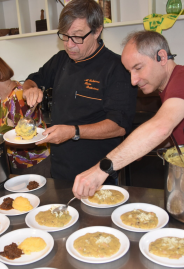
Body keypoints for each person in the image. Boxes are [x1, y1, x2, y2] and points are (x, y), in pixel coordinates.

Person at [72, 30, 184, 198]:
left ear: (162, 57)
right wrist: (136, 150)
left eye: (138, 68)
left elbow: (161, 128)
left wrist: (101, 169)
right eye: (129, 72)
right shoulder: (169, 88)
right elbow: (180, 131)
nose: (133, 81)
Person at [23, 0, 137, 184]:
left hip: (98, 174)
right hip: (60, 170)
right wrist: (29, 89)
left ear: (97, 30)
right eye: (65, 36)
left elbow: (119, 126)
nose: (69, 45)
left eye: (77, 36)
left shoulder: (117, 68)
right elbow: (31, 80)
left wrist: (73, 132)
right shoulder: (61, 60)